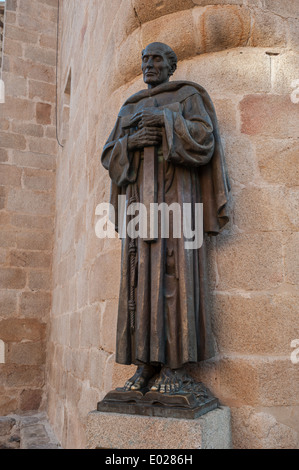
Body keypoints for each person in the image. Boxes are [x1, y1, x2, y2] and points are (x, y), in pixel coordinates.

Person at [101, 42, 230, 394]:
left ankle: (176, 367)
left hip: (178, 204)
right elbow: (109, 155)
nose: (149, 64)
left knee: (175, 280)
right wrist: (131, 142)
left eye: (156, 59)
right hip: (140, 208)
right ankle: (144, 365)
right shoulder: (130, 106)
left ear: (171, 66)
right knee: (138, 281)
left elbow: (205, 139)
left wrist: (166, 121)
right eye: (144, 59)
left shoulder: (188, 96)